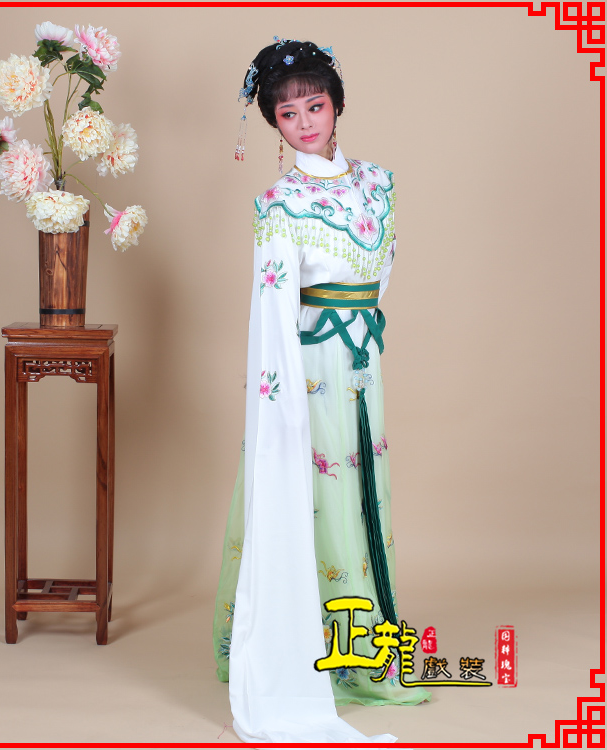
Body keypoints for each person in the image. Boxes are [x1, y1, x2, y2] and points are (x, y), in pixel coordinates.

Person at [212, 39, 431, 743]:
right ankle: (328, 651)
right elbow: (272, 305)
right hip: (310, 369)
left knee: (365, 493)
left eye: (315, 105)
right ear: (274, 124)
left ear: (336, 105)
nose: (305, 122)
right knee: (321, 497)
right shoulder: (280, 204)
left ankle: (362, 636)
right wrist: (279, 398)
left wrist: (357, 329)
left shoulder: (377, 184)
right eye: (288, 113)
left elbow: (381, 271)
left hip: (362, 360)